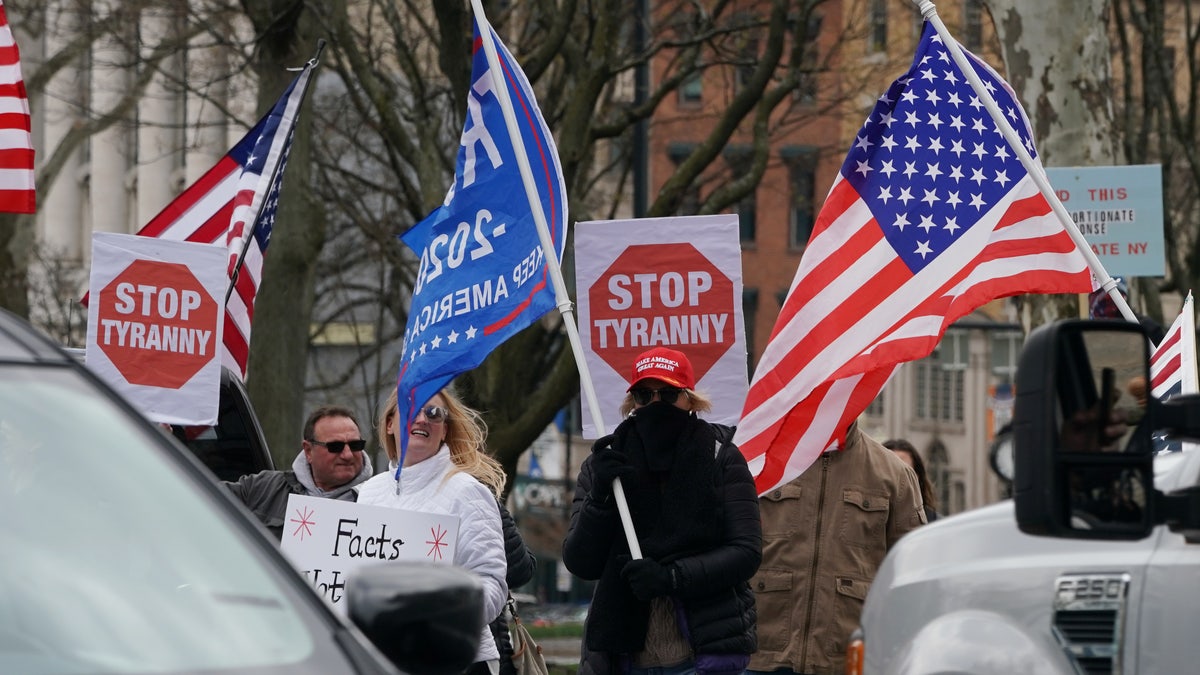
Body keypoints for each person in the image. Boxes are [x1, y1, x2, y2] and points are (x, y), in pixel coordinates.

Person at [563, 346, 762, 675]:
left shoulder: (721, 458)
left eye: (667, 395)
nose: (656, 404)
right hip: (624, 657)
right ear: (632, 403)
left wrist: (672, 577)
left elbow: (746, 552)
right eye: (644, 395)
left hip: (702, 656)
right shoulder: (604, 463)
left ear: (689, 400)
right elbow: (580, 561)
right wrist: (599, 497)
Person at [748, 422, 925, 675]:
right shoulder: (760, 458)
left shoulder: (894, 474)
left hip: (847, 657)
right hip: (762, 653)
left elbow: (913, 575)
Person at [357, 387, 509, 675]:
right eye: (411, 408)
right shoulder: (369, 492)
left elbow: (492, 585)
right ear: (390, 424)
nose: (423, 419)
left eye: (434, 413)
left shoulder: (467, 491)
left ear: (444, 430)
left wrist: (443, 615)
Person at [224, 405, 373, 539]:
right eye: (335, 446)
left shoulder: (380, 501)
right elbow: (204, 503)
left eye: (355, 445)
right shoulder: (263, 489)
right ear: (308, 451)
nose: (347, 455)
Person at [1088, 277, 1166, 344]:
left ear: (1123, 297)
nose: (1104, 300)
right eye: (1099, 294)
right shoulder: (1085, 331)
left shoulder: (1148, 329)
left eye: (1111, 297)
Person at [882, 438, 939, 522]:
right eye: (888, 470)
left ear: (917, 477)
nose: (894, 478)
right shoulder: (861, 521)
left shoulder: (935, 526)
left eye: (904, 472)